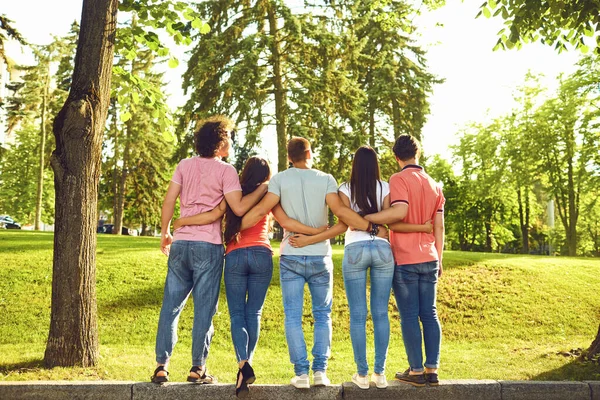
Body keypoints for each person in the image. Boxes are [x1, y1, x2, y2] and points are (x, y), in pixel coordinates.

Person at [173, 156, 326, 397]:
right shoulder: (268, 193)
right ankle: (246, 367)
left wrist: (226, 230)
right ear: (266, 175)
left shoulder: (233, 193)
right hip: (261, 254)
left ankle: (243, 364)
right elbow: (283, 220)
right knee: (253, 312)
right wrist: (318, 231)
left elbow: (219, 216)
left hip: (234, 256)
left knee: (237, 314)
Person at [288, 145, 432, 390]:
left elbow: (345, 221)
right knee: (380, 313)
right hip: (383, 250)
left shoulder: (344, 189)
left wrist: (361, 222)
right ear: (375, 165)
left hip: (355, 249)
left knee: (357, 315)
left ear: (355, 165)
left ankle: (362, 375)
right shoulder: (386, 186)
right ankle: (380, 373)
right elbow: (390, 217)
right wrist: (377, 227)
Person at [241, 137, 373, 389]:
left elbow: (261, 212)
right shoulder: (326, 179)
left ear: (289, 157)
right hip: (320, 257)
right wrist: (370, 226)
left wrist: (235, 229)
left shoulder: (279, 180)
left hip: (291, 254)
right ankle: (320, 372)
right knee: (322, 315)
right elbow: (342, 219)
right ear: (310, 153)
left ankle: (301, 374)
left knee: (292, 315)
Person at [150, 116, 267, 385]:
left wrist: (165, 232)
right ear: (220, 140)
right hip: (209, 246)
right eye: (229, 136)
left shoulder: (184, 165)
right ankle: (197, 369)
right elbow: (237, 208)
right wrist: (264, 188)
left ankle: (161, 366)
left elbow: (169, 200)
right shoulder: (226, 171)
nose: (232, 141)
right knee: (204, 309)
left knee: (171, 306)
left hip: (181, 243)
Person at [364, 135, 445, 387]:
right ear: (417, 153)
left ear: (396, 157)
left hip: (406, 258)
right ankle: (432, 369)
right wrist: (439, 258)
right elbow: (439, 227)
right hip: (430, 256)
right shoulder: (434, 185)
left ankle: (416, 371)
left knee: (409, 315)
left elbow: (396, 217)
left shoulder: (398, 179)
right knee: (429, 313)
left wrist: (372, 218)